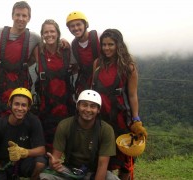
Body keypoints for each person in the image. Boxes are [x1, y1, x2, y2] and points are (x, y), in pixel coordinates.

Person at [0, 1, 71, 129]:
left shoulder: (34, 38)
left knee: (20, 117)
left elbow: (50, 42)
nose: (21, 18)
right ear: (12, 15)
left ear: (29, 18)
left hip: (21, 81)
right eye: (18, 15)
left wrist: (63, 41)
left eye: (24, 16)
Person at [92, 28, 148, 180]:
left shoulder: (128, 67)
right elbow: (94, 90)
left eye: (111, 44)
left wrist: (136, 119)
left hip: (122, 117)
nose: (106, 48)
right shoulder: (97, 64)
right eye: (104, 45)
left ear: (118, 45)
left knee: (125, 158)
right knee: (103, 156)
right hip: (101, 118)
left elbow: (132, 95)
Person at [40, 90, 117, 180]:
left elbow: (102, 165)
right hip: (70, 170)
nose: (88, 110)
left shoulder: (106, 130)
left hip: (94, 172)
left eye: (93, 106)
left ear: (98, 110)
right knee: (45, 177)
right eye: (84, 105)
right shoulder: (65, 125)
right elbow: (56, 158)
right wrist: (53, 164)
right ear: (77, 106)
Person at [0, 87, 46, 180]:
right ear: (10, 104)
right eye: (16, 104)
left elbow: (41, 150)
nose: (20, 108)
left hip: (24, 162)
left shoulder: (34, 121)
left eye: (24, 105)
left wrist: (24, 152)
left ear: (28, 107)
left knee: (40, 163)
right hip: (4, 165)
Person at [34, 19, 75, 152]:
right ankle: (47, 167)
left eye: (52, 31)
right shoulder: (38, 51)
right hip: (46, 104)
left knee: (67, 138)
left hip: (65, 103)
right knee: (47, 139)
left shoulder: (66, 50)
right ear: (42, 34)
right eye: (46, 32)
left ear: (58, 33)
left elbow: (77, 67)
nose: (49, 34)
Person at [66, 11, 101, 100]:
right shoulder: (74, 46)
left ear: (85, 25)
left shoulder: (98, 38)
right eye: (72, 26)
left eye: (78, 24)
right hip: (86, 80)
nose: (76, 28)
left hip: (102, 78)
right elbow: (75, 67)